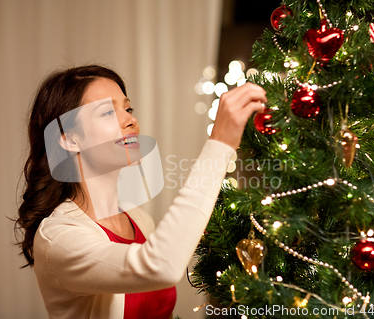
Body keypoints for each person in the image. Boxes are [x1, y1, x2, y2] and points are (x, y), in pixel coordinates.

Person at [15, 64, 266, 319]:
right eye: (106, 113)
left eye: (127, 108)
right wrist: (220, 144)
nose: (130, 120)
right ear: (69, 139)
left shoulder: (140, 220)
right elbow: (161, 265)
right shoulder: (58, 237)